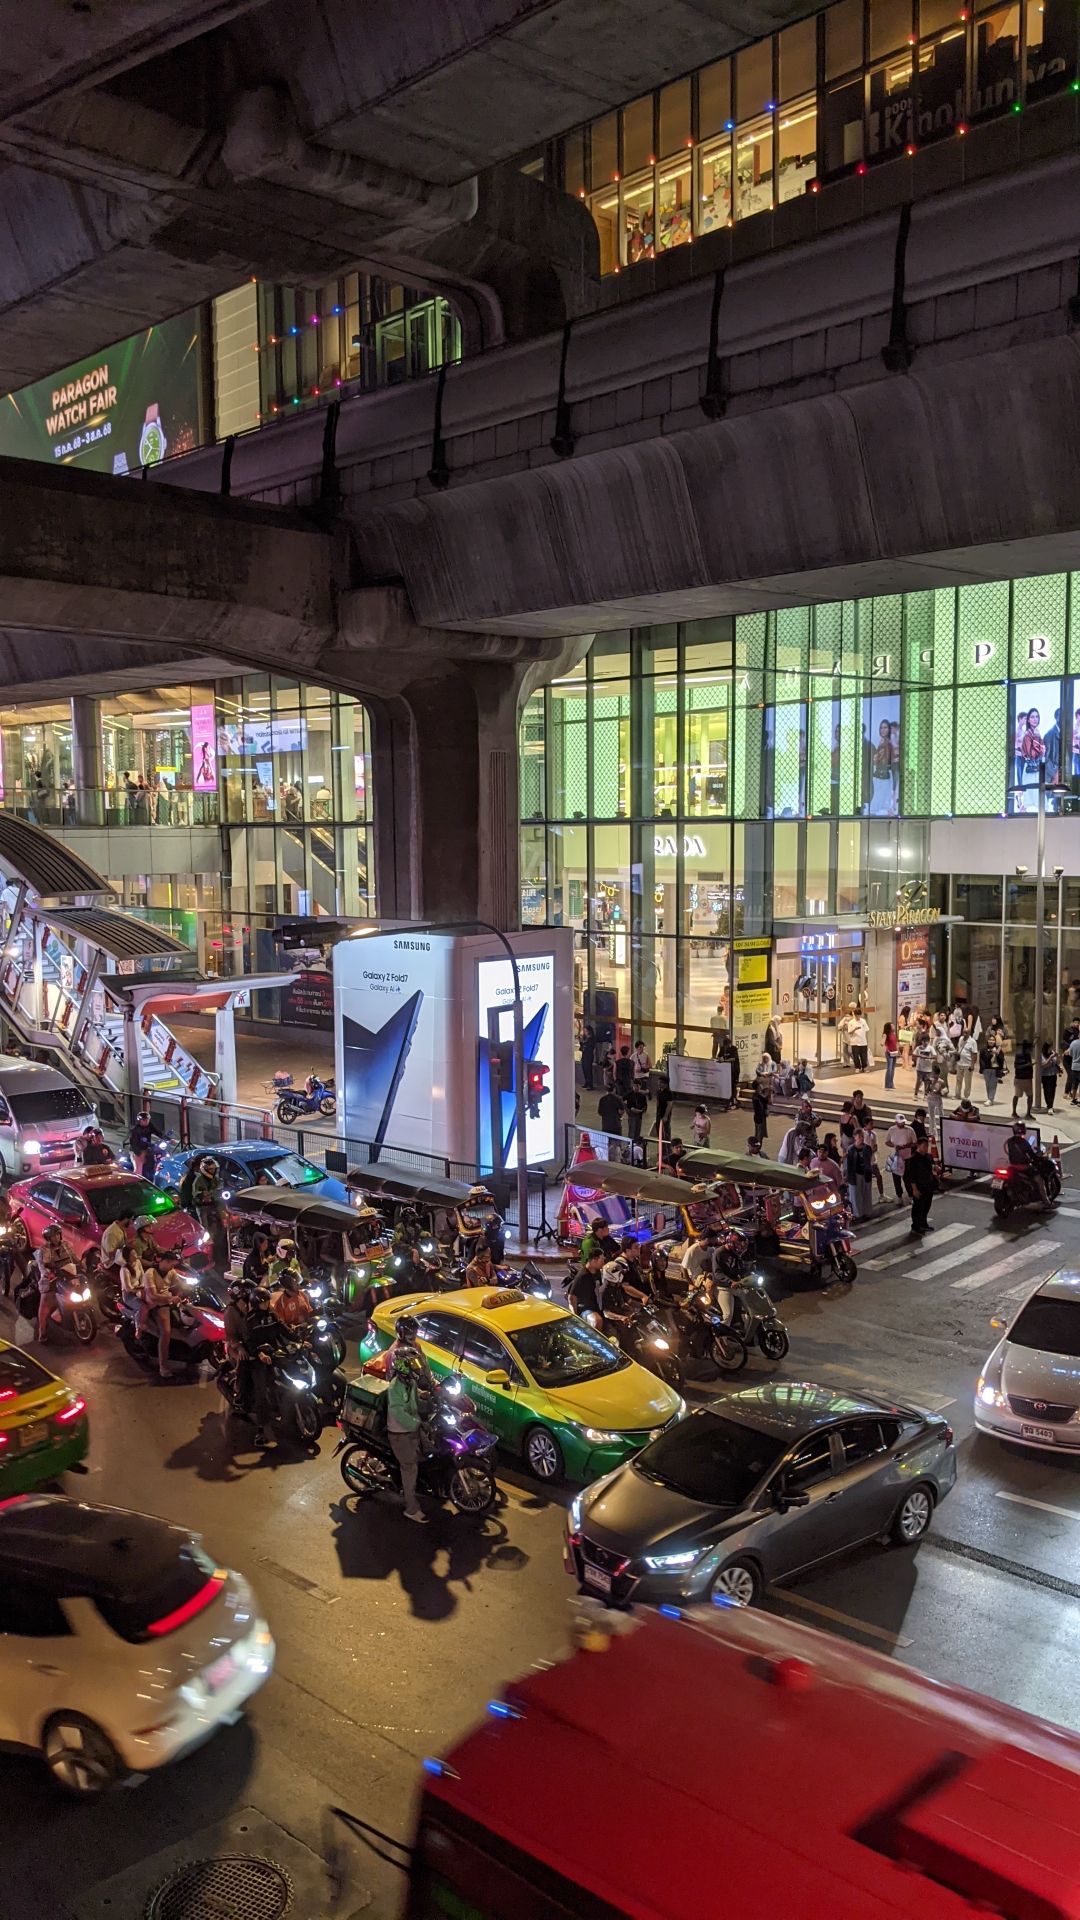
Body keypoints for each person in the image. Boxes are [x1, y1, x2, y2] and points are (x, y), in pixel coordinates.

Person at [384, 1314, 435, 1522]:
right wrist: (417, 1423)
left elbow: (425, 1371)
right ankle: (411, 1508)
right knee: (409, 1466)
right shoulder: (395, 1362)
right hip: (401, 1428)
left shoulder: (412, 1356)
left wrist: (432, 1389)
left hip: (411, 1414)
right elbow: (398, 1409)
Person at [35, 1222, 78, 1342]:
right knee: (45, 1304)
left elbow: (74, 1258)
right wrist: (48, 1274)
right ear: (48, 1238)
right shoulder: (43, 1250)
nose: (56, 1238)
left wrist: (83, 1265)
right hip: (50, 1280)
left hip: (67, 1276)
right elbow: (42, 1267)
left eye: (57, 1235)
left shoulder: (65, 1245)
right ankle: (42, 1331)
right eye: (53, 1236)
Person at [142, 1253, 180, 1379]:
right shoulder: (150, 1274)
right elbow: (152, 1295)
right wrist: (170, 1298)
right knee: (166, 1332)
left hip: (168, 1301)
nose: (171, 1267)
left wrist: (181, 1293)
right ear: (164, 1261)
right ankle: (163, 1367)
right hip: (155, 1305)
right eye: (171, 1264)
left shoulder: (172, 1272)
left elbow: (179, 1285)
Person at [1006, 1118, 1052, 1207]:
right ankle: (1046, 1202)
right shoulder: (1024, 1143)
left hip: (1013, 1166)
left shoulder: (1009, 1141)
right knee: (1040, 1180)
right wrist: (1037, 1158)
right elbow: (1032, 1155)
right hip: (1024, 1167)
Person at [904, 1136, 937, 1237]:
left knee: (926, 1206)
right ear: (918, 1146)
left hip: (928, 1186)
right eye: (924, 1146)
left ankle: (923, 1223)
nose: (926, 1148)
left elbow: (931, 1169)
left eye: (927, 1146)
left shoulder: (928, 1156)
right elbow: (911, 1176)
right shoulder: (913, 1159)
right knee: (918, 1207)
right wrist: (914, 1189)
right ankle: (916, 1226)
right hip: (919, 1187)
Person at [270, 1262, 315, 1331]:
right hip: (295, 1334)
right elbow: (282, 1325)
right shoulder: (281, 1303)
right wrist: (296, 1328)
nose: (298, 1283)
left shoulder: (303, 1294)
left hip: (308, 1329)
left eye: (297, 1279)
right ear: (287, 1284)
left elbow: (309, 1312)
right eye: (295, 1281)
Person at [566, 1247, 607, 1319]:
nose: (603, 1262)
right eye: (602, 1260)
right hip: (585, 1308)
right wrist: (576, 1317)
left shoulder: (597, 1272)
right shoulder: (582, 1276)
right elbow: (571, 1297)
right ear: (594, 1260)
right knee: (597, 1321)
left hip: (597, 1305)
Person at [884, 1113, 916, 1201]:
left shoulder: (910, 1130)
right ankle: (899, 1196)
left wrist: (906, 1146)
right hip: (896, 1158)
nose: (902, 1124)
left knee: (907, 1177)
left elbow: (914, 1143)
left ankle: (910, 1195)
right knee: (896, 1178)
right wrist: (894, 1146)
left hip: (906, 1157)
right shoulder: (891, 1130)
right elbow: (887, 1141)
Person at [845, 1129, 874, 1221]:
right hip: (855, 1174)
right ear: (855, 1137)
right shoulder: (851, 1149)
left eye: (862, 1136)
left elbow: (870, 1160)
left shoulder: (867, 1148)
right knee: (856, 1194)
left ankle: (867, 1212)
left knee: (866, 1193)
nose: (861, 1138)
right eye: (859, 1136)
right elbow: (848, 1164)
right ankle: (858, 1214)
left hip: (866, 1173)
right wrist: (847, 1177)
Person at [128, 1109, 159, 1180]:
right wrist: (139, 1154)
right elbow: (133, 1144)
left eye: (147, 1119)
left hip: (147, 1149)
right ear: (140, 1121)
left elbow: (158, 1132)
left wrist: (168, 1139)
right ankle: (135, 1183)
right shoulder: (135, 1130)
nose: (146, 1121)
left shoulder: (150, 1126)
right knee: (138, 1170)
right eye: (144, 1120)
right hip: (137, 1151)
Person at [980, 1035, 1006, 1106]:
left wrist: (996, 1054)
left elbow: (1001, 1060)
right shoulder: (984, 1049)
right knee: (988, 1085)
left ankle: (990, 1099)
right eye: (990, 1040)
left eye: (993, 1040)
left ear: (995, 1041)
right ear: (987, 1041)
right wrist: (982, 1069)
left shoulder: (998, 1050)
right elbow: (982, 1059)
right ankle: (990, 1099)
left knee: (993, 1085)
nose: (991, 1041)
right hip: (986, 1069)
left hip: (995, 1070)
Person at [955, 1030, 979, 1102]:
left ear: (969, 1033)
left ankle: (966, 1096)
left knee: (967, 1081)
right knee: (958, 1080)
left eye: (966, 1033)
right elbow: (958, 1048)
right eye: (964, 1032)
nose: (965, 1034)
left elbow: (974, 1054)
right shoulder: (960, 1039)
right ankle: (957, 1095)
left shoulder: (973, 1042)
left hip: (967, 1064)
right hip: (959, 1063)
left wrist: (972, 1064)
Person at [1012, 1041, 1034, 1119]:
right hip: (1020, 1078)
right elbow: (1016, 1066)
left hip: (1028, 1078)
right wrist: (1027, 1065)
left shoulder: (1028, 1055)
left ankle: (1028, 1113)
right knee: (1017, 1095)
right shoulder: (1019, 1055)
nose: (1031, 1050)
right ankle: (1014, 1111)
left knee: (1030, 1096)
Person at [625, 1079, 648, 1154]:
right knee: (632, 1131)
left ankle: (636, 1148)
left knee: (637, 1132)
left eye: (637, 1086)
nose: (635, 1088)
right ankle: (629, 1148)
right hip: (632, 1115)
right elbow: (622, 1100)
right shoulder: (629, 1094)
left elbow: (645, 1106)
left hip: (639, 1116)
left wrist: (642, 1110)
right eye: (634, 1086)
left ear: (640, 1086)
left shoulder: (642, 1096)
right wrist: (626, 1109)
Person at [1040, 1041, 1061, 1115]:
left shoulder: (1052, 1053)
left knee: (1052, 1090)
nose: (1052, 1049)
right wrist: (1050, 1057)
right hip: (1045, 1075)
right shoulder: (1041, 1055)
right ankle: (1049, 1106)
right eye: (1050, 1047)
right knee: (1047, 1091)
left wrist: (1057, 1057)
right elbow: (1043, 1065)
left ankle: (1050, 1106)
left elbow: (1058, 1063)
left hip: (1053, 1075)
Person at [847, 1008, 870, 1073]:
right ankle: (857, 1067)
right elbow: (849, 1032)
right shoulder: (851, 1022)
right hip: (854, 1042)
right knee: (855, 1056)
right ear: (854, 1015)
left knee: (864, 1056)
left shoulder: (863, 1021)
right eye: (857, 1015)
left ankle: (864, 1067)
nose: (858, 1017)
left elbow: (866, 1030)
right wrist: (855, 1029)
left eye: (859, 1015)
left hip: (863, 1041)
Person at [751, 1075, 770, 1146]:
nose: (761, 1086)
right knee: (759, 1133)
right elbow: (764, 1101)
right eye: (760, 1085)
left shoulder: (756, 1095)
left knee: (758, 1132)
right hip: (759, 1117)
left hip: (758, 1116)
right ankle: (757, 1147)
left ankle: (756, 1145)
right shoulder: (758, 1097)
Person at [579, 1022, 596, 1091]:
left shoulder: (591, 1039)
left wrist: (584, 1044)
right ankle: (586, 1082)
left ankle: (590, 1084)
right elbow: (582, 1047)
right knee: (584, 1069)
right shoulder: (586, 1038)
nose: (585, 1032)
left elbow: (589, 1047)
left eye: (586, 1031)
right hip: (584, 1055)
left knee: (588, 1070)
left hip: (588, 1056)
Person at [881, 1022, 898, 1090]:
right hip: (889, 1052)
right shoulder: (886, 1035)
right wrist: (884, 1045)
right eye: (892, 1026)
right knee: (889, 1069)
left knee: (893, 1069)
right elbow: (882, 1042)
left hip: (894, 1052)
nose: (893, 1027)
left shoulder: (893, 1034)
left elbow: (895, 1043)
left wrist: (898, 1050)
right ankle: (887, 1085)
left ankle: (891, 1083)